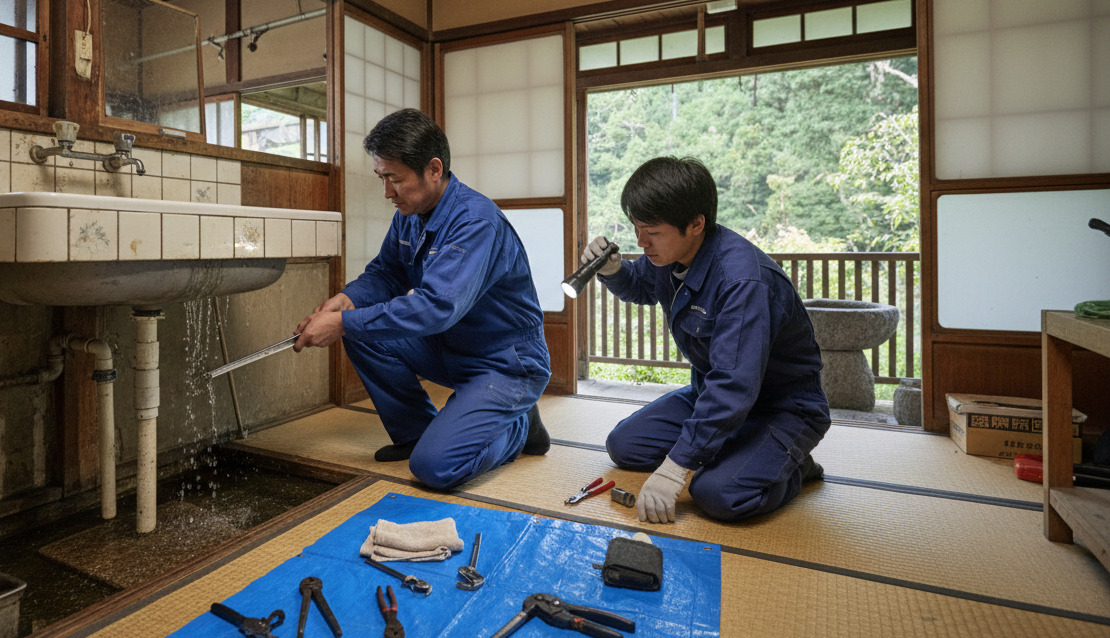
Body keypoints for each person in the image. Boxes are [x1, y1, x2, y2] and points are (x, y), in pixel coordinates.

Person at [293, 108, 552, 490]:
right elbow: (387, 272)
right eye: (382, 178)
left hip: (504, 361)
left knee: (435, 468)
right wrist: (346, 300)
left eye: (395, 179)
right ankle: (416, 431)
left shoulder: (475, 222)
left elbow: (435, 307)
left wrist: (343, 323)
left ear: (433, 169)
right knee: (362, 332)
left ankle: (518, 426)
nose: (387, 192)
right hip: (452, 348)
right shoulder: (411, 213)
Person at [586, 156, 829, 524]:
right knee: (625, 446)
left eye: (652, 231)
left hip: (781, 409)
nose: (641, 242)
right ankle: (736, 450)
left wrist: (675, 470)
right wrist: (613, 269)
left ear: (696, 223)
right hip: (712, 396)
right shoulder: (669, 256)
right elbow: (640, 286)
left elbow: (733, 386)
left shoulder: (742, 281)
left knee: (717, 494)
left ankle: (795, 466)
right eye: (636, 228)